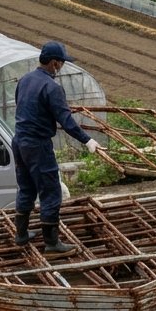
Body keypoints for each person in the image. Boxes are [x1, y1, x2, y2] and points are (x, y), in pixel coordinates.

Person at [12, 42, 100, 253]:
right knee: (51, 191)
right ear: (54, 63)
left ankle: (21, 235)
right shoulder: (51, 87)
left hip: (19, 141)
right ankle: (51, 243)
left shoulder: (25, 79)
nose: (61, 67)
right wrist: (87, 140)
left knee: (27, 188)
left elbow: (22, 105)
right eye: (61, 63)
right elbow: (66, 121)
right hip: (38, 145)